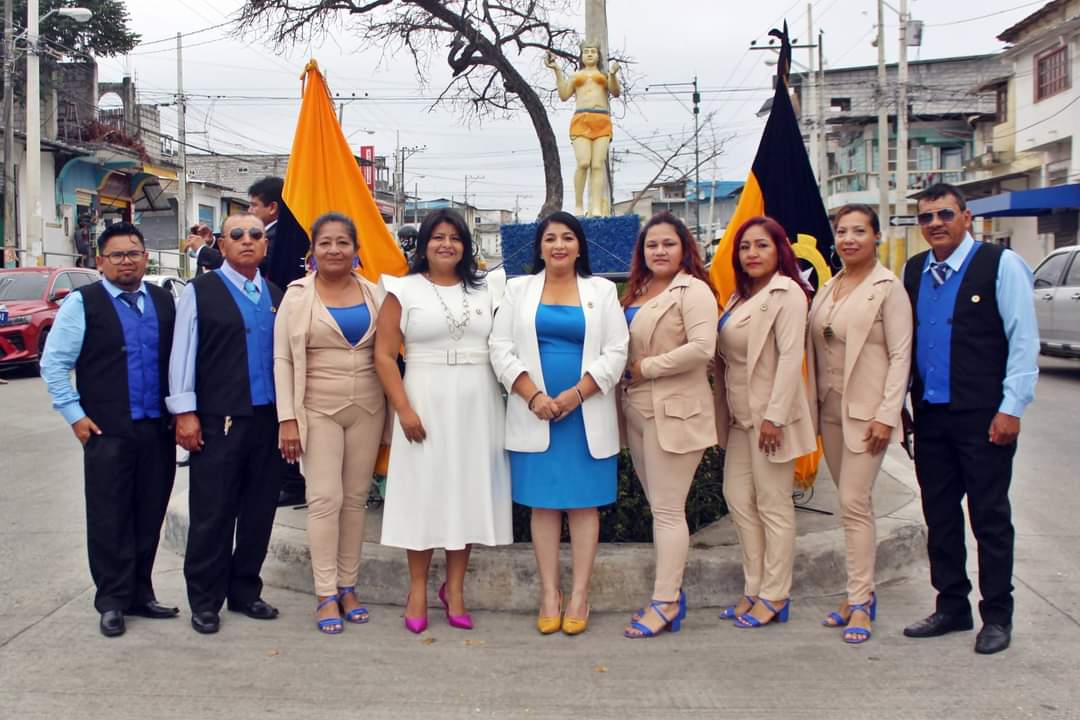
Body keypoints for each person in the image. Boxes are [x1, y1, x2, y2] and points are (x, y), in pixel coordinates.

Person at [900, 183, 1038, 655]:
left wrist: (1011, 408)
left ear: (966, 217)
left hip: (984, 417)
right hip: (931, 416)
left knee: (989, 517)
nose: (935, 224)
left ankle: (997, 615)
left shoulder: (1000, 265)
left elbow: (1023, 339)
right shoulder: (915, 270)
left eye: (944, 214)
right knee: (940, 515)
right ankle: (952, 606)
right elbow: (907, 343)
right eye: (926, 217)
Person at [374, 208, 512, 634]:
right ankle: (417, 589)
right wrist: (404, 409)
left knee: (466, 495)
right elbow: (384, 355)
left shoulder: (488, 287)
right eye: (438, 237)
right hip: (424, 401)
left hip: (477, 404)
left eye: (455, 237)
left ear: (466, 245)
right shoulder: (402, 288)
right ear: (424, 244)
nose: (446, 244)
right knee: (424, 496)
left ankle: (455, 590)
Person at [489, 211, 628, 636]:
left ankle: (581, 594)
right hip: (535, 411)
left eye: (568, 237)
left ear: (580, 245)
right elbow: (500, 347)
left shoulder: (602, 291)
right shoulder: (518, 290)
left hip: (586, 413)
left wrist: (577, 394)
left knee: (584, 505)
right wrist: (533, 395)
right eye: (550, 238)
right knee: (544, 506)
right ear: (540, 247)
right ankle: (550, 593)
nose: (559, 245)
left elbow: (617, 351)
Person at [40, 222, 179, 637]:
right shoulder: (83, 304)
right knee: (109, 516)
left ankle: (141, 593)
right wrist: (75, 415)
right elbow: (54, 364)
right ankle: (113, 600)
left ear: (145, 257)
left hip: (157, 429)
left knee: (149, 512)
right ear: (100, 261)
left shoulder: (163, 300)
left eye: (133, 253)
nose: (126, 262)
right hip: (106, 430)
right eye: (117, 255)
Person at [168, 212, 285, 635]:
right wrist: (185, 412)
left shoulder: (276, 293)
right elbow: (183, 352)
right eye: (237, 234)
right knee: (212, 513)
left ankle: (245, 590)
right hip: (220, 420)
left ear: (265, 244)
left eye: (256, 234)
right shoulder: (200, 292)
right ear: (222, 243)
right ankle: (205, 599)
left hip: (267, 419)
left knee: (259, 511)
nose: (247, 240)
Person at [273, 213, 387, 635]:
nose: (334, 250)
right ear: (313, 250)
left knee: (355, 500)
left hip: (368, 409)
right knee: (324, 499)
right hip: (316, 409)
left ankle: (348, 587)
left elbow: (389, 352)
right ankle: (324, 593)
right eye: (325, 243)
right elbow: (282, 359)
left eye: (343, 242)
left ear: (356, 249)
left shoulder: (375, 293)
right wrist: (287, 418)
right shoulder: (297, 295)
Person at [806, 204, 912, 644]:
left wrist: (888, 415)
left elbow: (901, 356)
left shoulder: (888, 288)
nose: (849, 240)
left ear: (876, 237)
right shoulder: (829, 287)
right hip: (829, 411)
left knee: (854, 502)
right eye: (842, 232)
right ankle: (855, 596)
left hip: (868, 416)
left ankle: (861, 600)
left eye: (859, 231)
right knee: (848, 506)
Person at [713, 216, 816, 628]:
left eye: (761, 245)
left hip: (772, 420)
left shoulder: (787, 292)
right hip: (741, 419)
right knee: (738, 499)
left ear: (779, 250)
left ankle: (775, 594)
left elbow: (791, 358)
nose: (752, 254)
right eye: (745, 247)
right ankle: (753, 587)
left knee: (773, 505)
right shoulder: (739, 297)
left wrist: (775, 417)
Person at [619, 212, 717, 638]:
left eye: (668, 244)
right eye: (652, 244)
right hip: (638, 411)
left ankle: (666, 602)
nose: (659, 251)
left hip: (674, 413)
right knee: (658, 506)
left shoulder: (693, 290)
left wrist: (647, 367)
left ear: (684, 248)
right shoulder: (638, 290)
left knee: (668, 510)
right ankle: (669, 594)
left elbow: (703, 348)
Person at [248, 176, 308, 507]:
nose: (249, 242)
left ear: (273, 207)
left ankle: (293, 480)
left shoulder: (284, 239)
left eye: (253, 206)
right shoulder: (276, 237)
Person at [545, 44, 622, 216]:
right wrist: (556, 70)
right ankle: (578, 205)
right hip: (581, 120)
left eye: (593, 52)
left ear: (599, 56)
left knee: (597, 165)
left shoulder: (604, 76)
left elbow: (616, 92)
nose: (589, 54)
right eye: (586, 52)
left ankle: (596, 206)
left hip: (601, 119)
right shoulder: (576, 76)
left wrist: (613, 74)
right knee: (583, 162)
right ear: (581, 56)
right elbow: (564, 95)